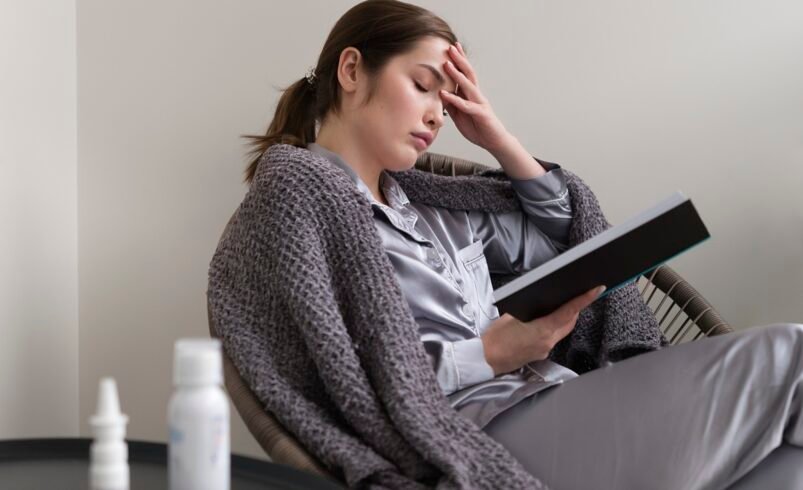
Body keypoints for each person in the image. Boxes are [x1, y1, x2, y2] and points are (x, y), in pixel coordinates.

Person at [239, 0, 803, 487]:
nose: (437, 114)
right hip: (474, 434)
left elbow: (563, 241)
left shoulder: (440, 209)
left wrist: (499, 140)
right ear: (352, 69)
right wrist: (490, 354)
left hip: (560, 395)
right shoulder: (295, 192)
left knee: (787, 459)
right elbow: (338, 383)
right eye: (423, 86)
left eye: (449, 98)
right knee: (794, 357)